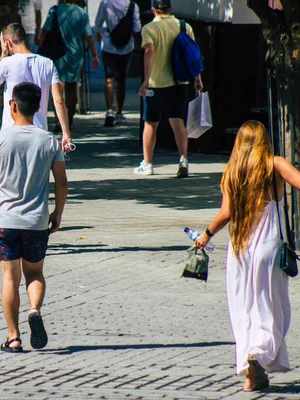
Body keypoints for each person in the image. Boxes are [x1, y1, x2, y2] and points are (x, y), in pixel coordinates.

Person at [195, 121, 294, 392]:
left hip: (240, 252)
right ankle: (258, 354)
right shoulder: (274, 164)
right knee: (270, 305)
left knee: (245, 308)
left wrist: (206, 234)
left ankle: (251, 370)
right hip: (269, 248)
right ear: (264, 140)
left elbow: (226, 214)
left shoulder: (232, 171)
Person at [0, 82, 68, 353]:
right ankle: (34, 309)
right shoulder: (49, 140)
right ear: (38, 107)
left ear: (12, 105)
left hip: (5, 221)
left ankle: (13, 337)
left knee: (9, 279)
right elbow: (61, 182)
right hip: (36, 222)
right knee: (35, 273)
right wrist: (57, 213)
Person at [135, 0, 202, 177]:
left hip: (155, 84)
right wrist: (197, 78)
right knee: (178, 121)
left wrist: (145, 81)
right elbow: (192, 55)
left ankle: (148, 164)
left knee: (150, 123)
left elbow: (149, 51)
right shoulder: (184, 26)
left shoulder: (149, 29)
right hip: (179, 82)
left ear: (153, 10)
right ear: (170, 9)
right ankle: (183, 160)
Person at [0, 23, 72, 150]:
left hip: (11, 133)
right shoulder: (47, 63)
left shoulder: (7, 63)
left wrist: (2, 55)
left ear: (7, 42)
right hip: (39, 132)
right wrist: (66, 133)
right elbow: (59, 100)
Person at [39, 0, 100, 132]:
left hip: (57, 54)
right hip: (75, 55)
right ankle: (70, 121)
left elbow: (44, 32)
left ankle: (58, 121)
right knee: (72, 89)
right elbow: (88, 36)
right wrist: (95, 55)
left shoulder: (54, 11)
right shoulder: (81, 13)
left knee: (57, 88)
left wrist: (39, 49)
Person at [94, 0, 141, 126]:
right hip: (126, 47)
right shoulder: (132, 5)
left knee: (109, 79)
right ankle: (119, 113)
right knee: (122, 81)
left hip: (108, 46)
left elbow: (98, 22)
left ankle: (109, 111)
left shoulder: (105, 2)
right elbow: (137, 28)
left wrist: (98, 33)